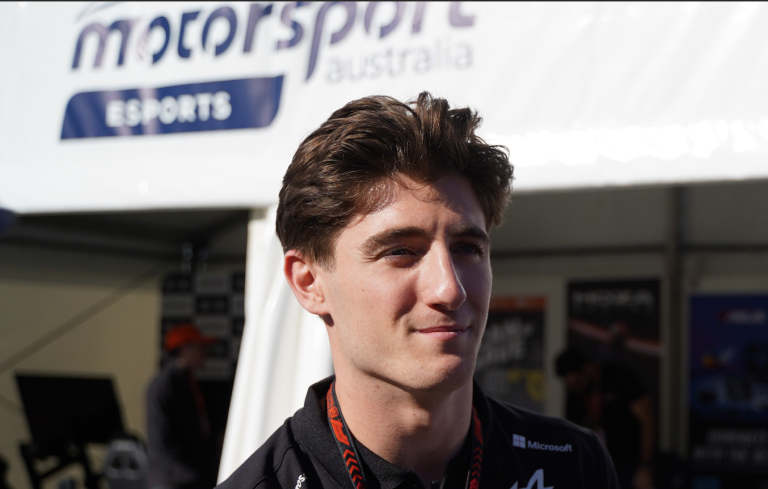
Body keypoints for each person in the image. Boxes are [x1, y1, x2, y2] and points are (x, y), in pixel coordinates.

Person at [218, 93, 620, 489]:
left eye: (467, 249)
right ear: (309, 283)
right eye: (400, 252)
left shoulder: (574, 465)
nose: (450, 289)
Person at [556, 348, 655, 489]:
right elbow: (571, 431)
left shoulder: (619, 377)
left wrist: (646, 466)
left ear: (587, 368)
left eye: (577, 382)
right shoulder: (578, 393)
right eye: (571, 385)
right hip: (608, 464)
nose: (575, 387)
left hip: (634, 461)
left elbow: (647, 419)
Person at [147, 323, 218, 489]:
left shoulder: (185, 380)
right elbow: (162, 436)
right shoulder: (166, 383)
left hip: (186, 476)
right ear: (185, 348)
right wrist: (186, 472)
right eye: (201, 347)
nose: (205, 353)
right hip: (173, 479)